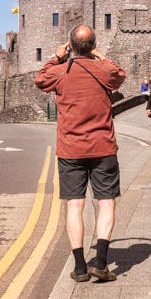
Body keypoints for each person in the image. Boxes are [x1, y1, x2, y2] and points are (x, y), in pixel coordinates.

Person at [34, 24, 126, 283]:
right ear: (93, 45)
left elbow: (40, 78)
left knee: (75, 205)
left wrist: (57, 56)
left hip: (71, 149)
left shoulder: (61, 72)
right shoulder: (104, 70)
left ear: (71, 46)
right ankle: (101, 261)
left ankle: (80, 266)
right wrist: (99, 56)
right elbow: (120, 74)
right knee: (106, 201)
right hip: (103, 147)